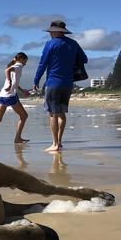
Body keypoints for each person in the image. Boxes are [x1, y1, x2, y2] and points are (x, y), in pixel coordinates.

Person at [33, 20, 87, 152]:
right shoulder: (73, 44)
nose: (50, 33)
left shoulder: (50, 44)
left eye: (51, 31)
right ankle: (60, 142)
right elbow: (84, 59)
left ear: (56, 31)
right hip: (68, 84)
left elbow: (42, 64)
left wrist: (36, 80)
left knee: (53, 114)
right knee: (62, 113)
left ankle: (55, 144)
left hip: (53, 83)